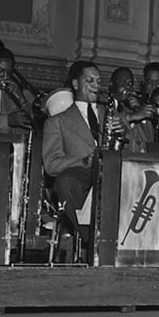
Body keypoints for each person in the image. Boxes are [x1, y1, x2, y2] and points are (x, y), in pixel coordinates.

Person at [41, 60, 105, 242]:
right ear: (75, 84)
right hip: (82, 176)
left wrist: (124, 132)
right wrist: (83, 161)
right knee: (66, 182)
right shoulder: (56, 122)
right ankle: (91, 238)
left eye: (99, 81)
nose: (96, 85)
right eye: (89, 80)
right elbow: (51, 164)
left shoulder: (113, 115)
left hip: (114, 172)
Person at [110, 66, 156, 152]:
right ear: (112, 85)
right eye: (123, 83)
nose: (127, 87)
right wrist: (131, 117)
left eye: (130, 84)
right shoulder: (104, 105)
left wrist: (138, 109)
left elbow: (148, 142)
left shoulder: (131, 109)